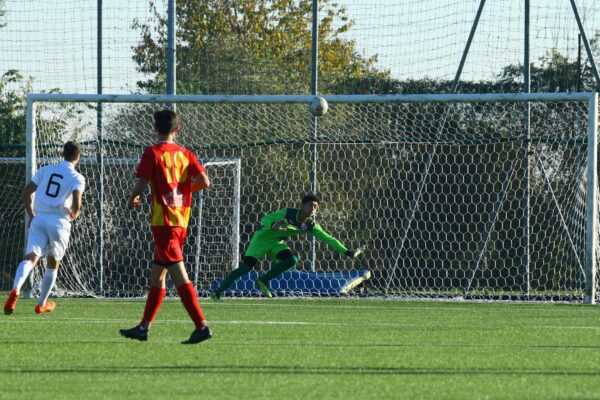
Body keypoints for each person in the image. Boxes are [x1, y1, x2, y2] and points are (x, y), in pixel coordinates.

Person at [119, 109, 212, 345]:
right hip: (181, 220)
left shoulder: (153, 152)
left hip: (164, 223)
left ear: (154, 127)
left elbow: (141, 182)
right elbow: (204, 182)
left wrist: (133, 197)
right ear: (177, 129)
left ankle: (202, 326)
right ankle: (143, 327)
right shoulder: (186, 154)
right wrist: (179, 193)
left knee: (179, 276)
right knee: (157, 275)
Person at [211, 193, 363, 299]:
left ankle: (263, 280)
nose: (313, 209)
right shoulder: (288, 213)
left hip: (277, 243)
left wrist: (346, 251)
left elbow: (328, 238)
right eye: (311, 205)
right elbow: (265, 219)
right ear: (302, 205)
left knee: (291, 260)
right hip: (262, 239)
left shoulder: (311, 225)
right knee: (245, 268)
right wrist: (272, 225)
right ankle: (217, 292)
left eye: (316, 207)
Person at [4, 141, 85, 315]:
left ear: (63, 154)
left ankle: (16, 289)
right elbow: (77, 200)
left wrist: (32, 215)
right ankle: (41, 303)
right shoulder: (77, 177)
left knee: (30, 258)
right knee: (53, 263)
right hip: (59, 222)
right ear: (77, 157)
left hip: (39, 219)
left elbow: (26, 192)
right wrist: (75, 213)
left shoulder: (45, 170)